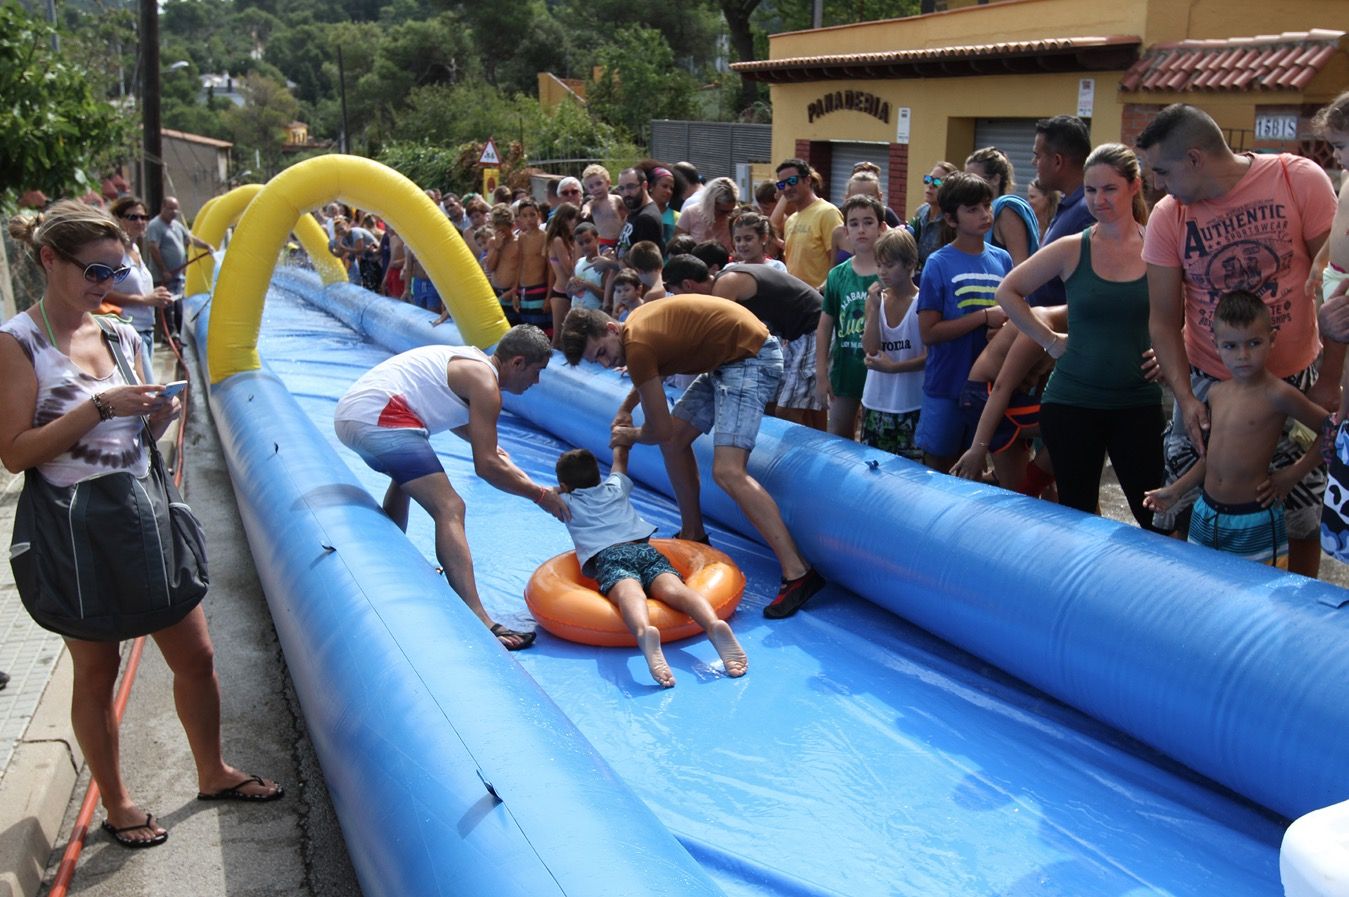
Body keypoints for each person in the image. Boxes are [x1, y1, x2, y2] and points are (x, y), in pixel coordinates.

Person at [2, 201, 282, 849]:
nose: (109, 284)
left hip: (141, 512)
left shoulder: (123, 334)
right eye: (95, 270)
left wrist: (153, 415)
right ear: (50, 259)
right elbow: (15, 451)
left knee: (198, 653)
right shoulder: (19, 343)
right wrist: (101, 406)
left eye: (117, 269)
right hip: (76, 528)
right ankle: (119, 801)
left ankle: (212, 769)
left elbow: (137, 432)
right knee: (96, 672)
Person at [1137, 102, 1341, 577]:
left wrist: (1330, 379)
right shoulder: (1171, 216)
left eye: (1163, 171)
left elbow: (1336, 288)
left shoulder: (1298, 179)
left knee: (1299, 517)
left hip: (1294, 378)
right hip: (1210, 381)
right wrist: (1186, 397)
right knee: (1190, 506)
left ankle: (1295, 616)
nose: (1158, 186)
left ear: (1195, 159)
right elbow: (1163, 321)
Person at [561, 300, 827, 618]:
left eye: (602, 352)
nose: (605, 364)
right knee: (674, 443)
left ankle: (798, 572)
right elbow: (652, 378)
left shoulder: (638, 343)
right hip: (725, 362)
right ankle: (693, 532)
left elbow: (658, 427)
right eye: (597, 361)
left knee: (728, 471)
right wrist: (626, 408)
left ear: (610, 329)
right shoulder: (634, 333)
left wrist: (627, 436)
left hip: (750, 359)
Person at [334, 326, 568, 650]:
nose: (536, 382)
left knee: (408, 480)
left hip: (355, 415)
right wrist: (540, 496)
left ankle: (393, 558)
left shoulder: (470, 360)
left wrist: (490, 449)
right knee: (451, 507)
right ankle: (479, 618)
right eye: (537, 371)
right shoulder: (486, 383)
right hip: (378, 419)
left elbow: (453, 416)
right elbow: (486, 466)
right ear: (517, 363)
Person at [996, 143, 1163, 528]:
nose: (1099, 199)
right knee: (1076, 516)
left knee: (1155, 516)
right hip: (1073, 402)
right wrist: (1050, 340)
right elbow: (1008, 291)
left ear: (1134, 186)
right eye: (1090, 190)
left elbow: (1186, 309)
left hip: (1136, 401)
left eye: (1109, 189)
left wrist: (1176, 349)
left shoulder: (1158, 246)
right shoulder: (1073, 248)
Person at [1145, 291, 1333, 567]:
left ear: (1272, 339)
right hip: (1206, 512)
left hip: (1253, 518)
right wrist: (1176, 490)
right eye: (1231, 346)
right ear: (1216, 345)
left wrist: (1293, 475)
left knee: (1257, 598)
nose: (1243, 356)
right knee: (1204, 583)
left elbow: (1333, 431)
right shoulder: (1217, 393)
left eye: (1254, 343)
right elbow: (1212, 458)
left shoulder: (1278, 394)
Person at [554, 443, 748, 688]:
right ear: (598, 476)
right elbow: (620, 461)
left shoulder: (564, 501)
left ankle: (645, 631)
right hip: (644, 550)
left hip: (610, 556)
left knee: (629, 592)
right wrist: (619, 445)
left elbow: (540, 495)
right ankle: (713, 624)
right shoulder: (614, 487)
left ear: (564, 486)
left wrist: (555, 491)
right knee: (676, 590)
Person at [915, 172, 1012, 472]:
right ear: (951, 218)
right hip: (947, 385)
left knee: (975, 473)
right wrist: (983, 317)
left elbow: (1011, 320)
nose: (984, 214)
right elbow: (928, 332)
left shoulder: (1003, 259)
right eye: (972, 209)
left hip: (989, 389)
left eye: (986, 205)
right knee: (939, 468)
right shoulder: (938, 263)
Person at [949, 305, 1063, 494]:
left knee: (1019, 491)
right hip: (984, 396)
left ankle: (1037, 484)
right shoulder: (1040, 325)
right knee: (1073, 421)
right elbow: (1003, 386)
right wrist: (978, 449)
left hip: (1012, 400)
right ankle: (1034, 483)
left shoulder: (1066, 331)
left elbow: (1043, 380)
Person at [1309, 91, 1349, 560]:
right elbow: (1336, 227)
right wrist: (1319, 263)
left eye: (1342, 143)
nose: (1336, 153)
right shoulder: (1344, 177)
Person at [817, 195, 887, 439]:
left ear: (881, 227)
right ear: (845, 231)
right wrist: (821, 374)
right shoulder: (837, 275)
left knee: (874, 438)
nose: (861, 229)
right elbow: (825, 327)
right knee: (838, 435)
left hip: (880, 372)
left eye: (868, 222)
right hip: (844, 371)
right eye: (854, 224)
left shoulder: (889, 273)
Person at [860, 229, 925, 460]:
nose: (882, 272)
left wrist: (894, 367)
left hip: (910, 404)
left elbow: (930, 356)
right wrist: (875, 309)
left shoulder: (922, 303)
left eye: (889, 265)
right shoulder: (877, 300)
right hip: (876, 402)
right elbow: (870, 349)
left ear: (909, 265)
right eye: (879, 265)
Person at [1027, 115, 1094, 307]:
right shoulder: (1071, 205)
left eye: (1038, 156)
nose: (1033, 163)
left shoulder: (1086, 211)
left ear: (1057, 161)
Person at [107, 196, 174, 375]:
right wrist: (146, 300)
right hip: (128, 330)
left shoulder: (135, 250)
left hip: (146, 330)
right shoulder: (114, 253)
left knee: (146, 392)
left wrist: (155, 295)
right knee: (148, 391)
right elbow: (104, 292)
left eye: (144, 217)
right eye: (133, 217)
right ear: (118, 219)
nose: (140, 222)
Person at [965, 147, 1040, 267]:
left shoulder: (1007, 210)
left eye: (974, 179)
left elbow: (1020, 266)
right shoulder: (979, 212)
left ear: (995, 179)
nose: (967, 185)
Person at [776, 158, 843, 290]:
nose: (788, 188)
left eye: (792, 181)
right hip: (796, 297)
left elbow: (839, 262)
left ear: (807, 180)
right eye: (782, 184)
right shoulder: (791, 220)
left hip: (819, 298)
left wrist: (824, 292)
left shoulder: (827, 213)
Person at [908, 162, 960, 272]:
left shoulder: (953, 221)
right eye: (928, 179)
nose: (930, 185)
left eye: (937, 181)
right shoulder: (920, 212)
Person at [511, 199, 550, 334]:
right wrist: (515, 292)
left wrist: (548, 296)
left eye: (532, 214)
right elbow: (520, 264)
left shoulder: (545, 237)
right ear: (520, 218)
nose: (529, 219)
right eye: (525, 215)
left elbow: (550, 269)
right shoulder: (521, 237)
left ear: (538, 215)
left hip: (539, 289)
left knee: (540, 331)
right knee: (525, 331)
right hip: (523, 291)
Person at [545, 202, 581, 346]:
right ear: (564, 220)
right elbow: (569, 270)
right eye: (572, 219)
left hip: (568, 292)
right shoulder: (558, 241)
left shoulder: (567, 240)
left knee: (566, 337)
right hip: (561, 293)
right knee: (558, 338)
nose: (575, 223)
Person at [676, 177, 738, 255]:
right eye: (723, 211)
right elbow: (678, 246)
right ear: (711, 204)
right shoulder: (690, 213)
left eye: (731, 210)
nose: (728, 215)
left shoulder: (734, 217)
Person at [485, 203, 522, 325]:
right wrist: (497, 248)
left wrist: (514, 290)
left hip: (511, 293)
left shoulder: (518, 243)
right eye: (498, 230)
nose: (501, 234)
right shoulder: (492, 242)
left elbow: (520, 269)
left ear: (512, 226)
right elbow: (490, 268)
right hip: (496, 291)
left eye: (504, 231)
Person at [615, 168, 664, 260]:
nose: (626, 193)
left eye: (631, 186)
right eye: (621, 188)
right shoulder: (635, 210)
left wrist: (609, 264)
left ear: (644, 186)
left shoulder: (646, 218)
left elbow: (643, 262)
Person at [581, 164, 626, 252]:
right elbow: (587, 206)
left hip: (620, 239)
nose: (596, 188)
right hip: (604, 242)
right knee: (609, 258)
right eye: (591, 187)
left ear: (608, 182)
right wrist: (585, 211)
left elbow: (628, 211)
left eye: (599, 184)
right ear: (587, 190)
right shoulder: (594, 203)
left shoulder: (616, 199)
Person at [567, 222, 605, 311]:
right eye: (581, 243)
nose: (585, 246)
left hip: (595, 315)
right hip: (577, 313)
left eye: (588, 241)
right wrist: (571, 283)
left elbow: (607, 297)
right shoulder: (579, 262)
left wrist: (588, 285)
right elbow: (568, 293)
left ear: (597, 239)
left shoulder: (603, 264)